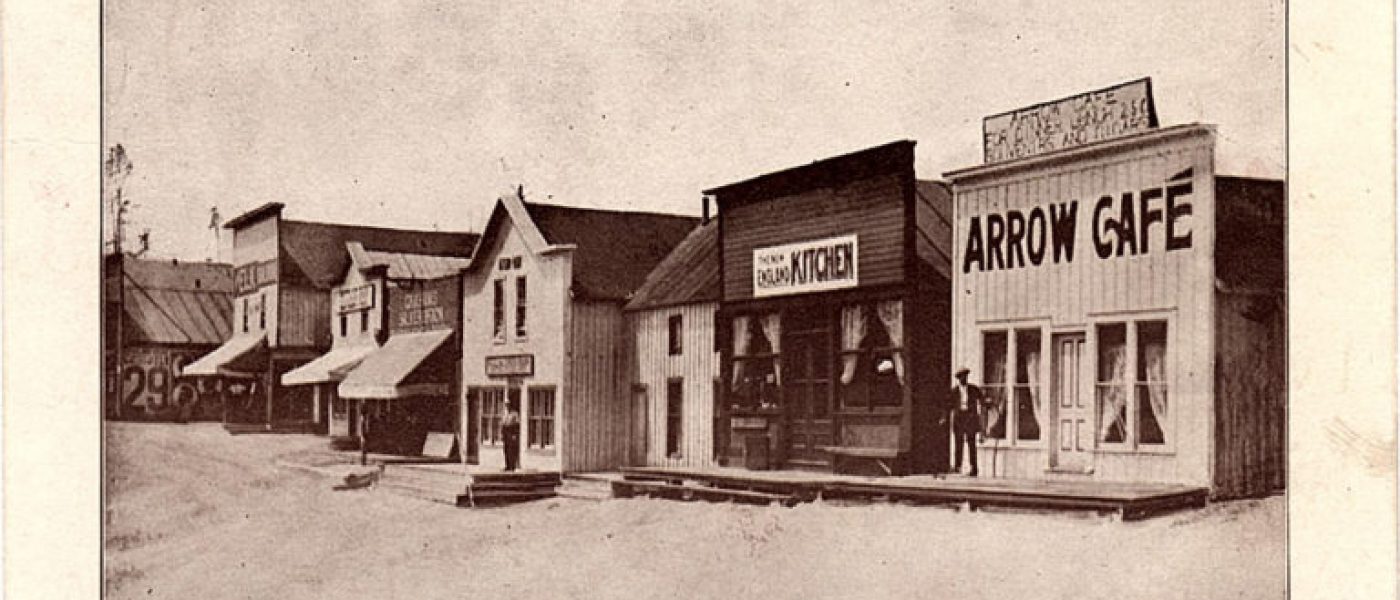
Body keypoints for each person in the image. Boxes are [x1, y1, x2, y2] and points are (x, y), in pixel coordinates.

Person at [949, 367, 984, 477]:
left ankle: (974, 468)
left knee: (971, 443)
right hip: (959, 418)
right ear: (958, 379)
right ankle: (957, 466)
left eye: (965, 376)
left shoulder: (974, 389)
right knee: (958, 443)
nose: (964, 379)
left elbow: (982, 399)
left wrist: (986, 403)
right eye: (962, 377)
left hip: (970, 417)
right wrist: (944, 417)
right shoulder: (954, 391)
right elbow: (948, 405)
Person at [501, 402, 522, 472]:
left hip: (511, 432)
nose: (507, 407)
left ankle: (512, 466)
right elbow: (503, 424)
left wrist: (514, 434)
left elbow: (517, 425)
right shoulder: (505, 414)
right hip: (506, 432)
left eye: (508, 405)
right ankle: (507, 465)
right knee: (506, 450)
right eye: (506, 405)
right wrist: (502, 435)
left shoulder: (515, 414)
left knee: (511, 450)